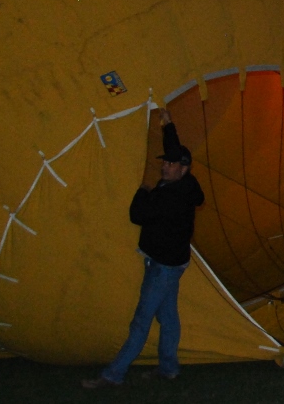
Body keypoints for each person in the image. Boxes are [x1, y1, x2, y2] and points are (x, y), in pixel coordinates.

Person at [83, 114, 204, 388]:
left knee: (141, 320)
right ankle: (169, 368)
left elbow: (137, 215)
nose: (165, 167)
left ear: (183, 169)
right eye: (165, 161)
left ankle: (113, 375)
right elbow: (178, 151)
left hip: (163, 266)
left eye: (171, 164)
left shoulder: (169, 196)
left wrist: (142, 190)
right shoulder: (188, 184)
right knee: (168, 317)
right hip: (174, 262)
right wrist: (168, 125)